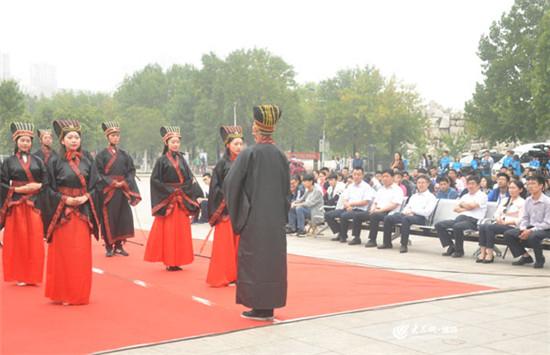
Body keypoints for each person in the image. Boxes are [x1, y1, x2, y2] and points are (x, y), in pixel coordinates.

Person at [223, 105, 290, 321]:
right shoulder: (281, 156)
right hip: (275, 221)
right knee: (272, 263)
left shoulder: (249, 154)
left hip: (253, 219)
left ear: (256, 129)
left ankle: (258, 308)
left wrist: (242, 212)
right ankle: (268, 308)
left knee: (254, 262)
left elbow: (231, 184)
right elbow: (286, 191)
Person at [43, 119, 101, 305]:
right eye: (70, 137)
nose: (74, 140)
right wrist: (65, 199)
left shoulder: (87, 161)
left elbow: (96, 186)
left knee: (80, 254)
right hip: (62, 213)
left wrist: (86, 198)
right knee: (63, 255)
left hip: (82, 212)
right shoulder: (54, 161)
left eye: (77, 137)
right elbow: (47, 189)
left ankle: (78, 293)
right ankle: (62, 292)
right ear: (62, 140)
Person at [144, 126, 199, 271]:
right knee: (169, 231)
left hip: (181, 198)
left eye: (177, 142)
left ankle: (178, 259)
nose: (176, 144)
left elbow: (189, 178)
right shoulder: (161, 161)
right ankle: (169, 259)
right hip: (169, 200)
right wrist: (170, 191)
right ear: (166, 143)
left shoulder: (182, 159)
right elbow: (155, 180)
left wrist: (182, 190)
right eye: (173, 142)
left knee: (181, 231)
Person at [0, 122, 48, 286]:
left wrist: (38, 186)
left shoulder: (39, 161)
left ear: (31, 142)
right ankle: (20, 275)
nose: (25, 143)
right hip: (16, 204)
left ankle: (33, 275)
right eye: (22, 140)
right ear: (16, 142)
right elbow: (2, 183)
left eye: (28, 141)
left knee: (35, 239)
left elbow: (47, 182)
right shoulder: (8, 162)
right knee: (18, 240)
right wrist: (17, 190)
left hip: (34, 204)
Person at [95, 121, 141, 257]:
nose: (115, 138)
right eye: (113, 135)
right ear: (107, 137)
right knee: (109, 217)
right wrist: (111, 182)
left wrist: (125, 182)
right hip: (109, 191)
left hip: (122, 190)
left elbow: (131, 171)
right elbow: (97, 173)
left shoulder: (125, 155)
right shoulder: (101, 155)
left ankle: (119, 245)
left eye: (117, 135)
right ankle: (109, 246)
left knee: (123, 217)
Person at [206, 125, 243, 287]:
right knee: (225, 245)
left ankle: (238, 275)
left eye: (241, 144)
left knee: (240, 245)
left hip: (241, 208)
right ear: (228, 145)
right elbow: (214, 187)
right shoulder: (221, 164)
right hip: (226, 209)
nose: (239, 147)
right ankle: (224, 275)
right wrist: (227, 197)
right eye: (236, 144)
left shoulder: (245, 162)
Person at [382, 175, 437, 253]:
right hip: (408, 215)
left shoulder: (431, 197)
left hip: (421, 218)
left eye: (423, 183)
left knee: (406, 219)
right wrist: (406, 212)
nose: (420, 185)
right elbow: (407, 207)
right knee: (388, 218)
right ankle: (387, 243)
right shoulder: (414, 196)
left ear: (428, 184)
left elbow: (427, 212)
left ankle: (403, 245)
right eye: (419, 183)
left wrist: (413, 211)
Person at [435, 176, 488, 258]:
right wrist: (468, 207)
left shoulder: (482, 196)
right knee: (439, 225)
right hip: (460, 218)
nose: (470, 186)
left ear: (478, 185)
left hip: (474, 221)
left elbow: (472, 206)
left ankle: (459, 251)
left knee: (457, 227)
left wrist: (463, 205)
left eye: (473, 184)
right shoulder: (465, 196)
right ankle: (451, 246)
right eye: (468, 184)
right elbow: (456, 209)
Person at [504, 175, 550, 269]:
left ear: (541, 186)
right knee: (508, 234)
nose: (530, 186)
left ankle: (539, 259)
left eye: (533, 184)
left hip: (545, 229)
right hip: (530, 227)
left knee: (533, 236)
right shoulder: (528, 200)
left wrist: (531, 230)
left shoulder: (547, 202)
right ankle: (525, 256)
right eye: (528, 184)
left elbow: (547, 223)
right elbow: (525, 218)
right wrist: (523, 229)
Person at [477, 180, 525, 263]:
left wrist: (506, 222)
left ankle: (490, 254)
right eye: (510, 188)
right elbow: (496, 213)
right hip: (499, 224)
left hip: (511, 226)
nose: (511, 190)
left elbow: (521, 219)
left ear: (520, 190)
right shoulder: (505, 200)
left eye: (513, 188)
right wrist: (498, 218)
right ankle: (482, 253)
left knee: (489, 227)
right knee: (483, 226)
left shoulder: (523, 202)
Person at [324, 167, 374, 243]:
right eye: (354, 174)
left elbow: (366, 202)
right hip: (348, 208)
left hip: (360, 210)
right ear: (352, 175)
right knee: (328, 215)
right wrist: (347, 205)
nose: (356, 176)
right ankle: (340, 233)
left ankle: (351, 237)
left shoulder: (366, 187)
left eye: (359, 175)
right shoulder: (350, 186)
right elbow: (345, 199)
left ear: (362, 175)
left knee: (344, 216)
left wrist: (351, 204)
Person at [363, 169, 404, 248]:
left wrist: (379, 210)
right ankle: (356, 237)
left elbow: (394, 204)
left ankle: (376, 241)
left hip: (390, 212)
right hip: (378, 211)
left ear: (392, 177)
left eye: (387, 176)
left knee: (375, 216)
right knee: (358, 215)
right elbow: (375, 202)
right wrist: (372, 209)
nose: (384, 178)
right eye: (383, 176)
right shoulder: (381, 189)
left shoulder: (397, 190)